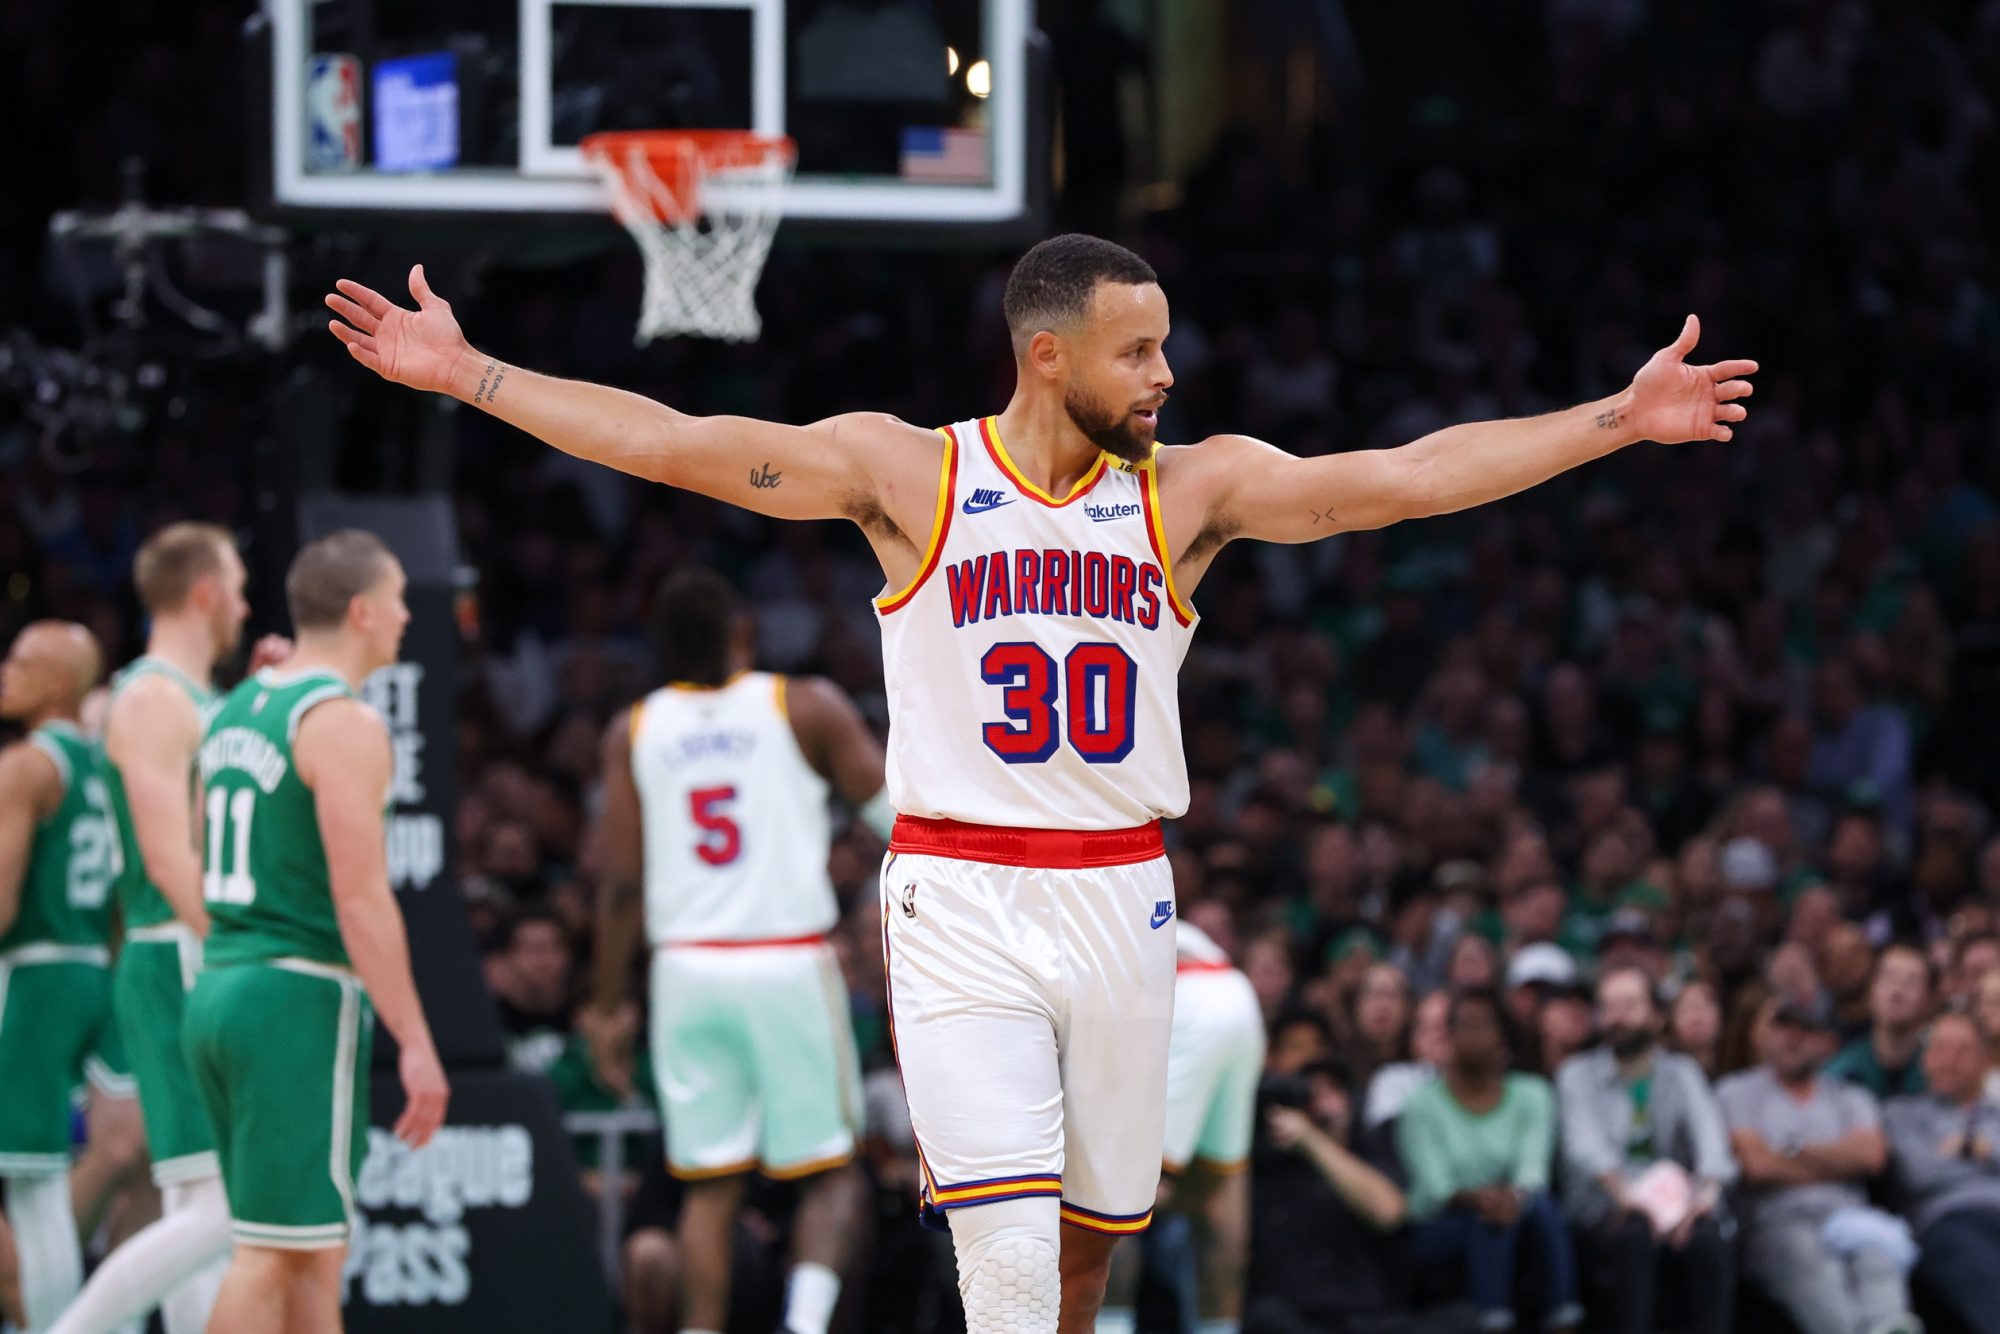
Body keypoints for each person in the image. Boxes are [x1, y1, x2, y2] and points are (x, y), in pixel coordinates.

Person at [326, 235, 1756, 1329]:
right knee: (1004, 1262)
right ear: (1050, 356)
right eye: (1139, 352)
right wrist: (473, 374)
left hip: (1122, 897)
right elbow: (680, 445)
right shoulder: (909, 473)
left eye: (1165, 348)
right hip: (958, 894)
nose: (1166, 375)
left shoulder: (1188, 491)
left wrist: (1613, 420)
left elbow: (1406, 477)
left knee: (1081, 1257)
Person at [593, 568, 892, 1334]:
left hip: (685, 969)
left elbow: (620, 885)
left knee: (709, 1182)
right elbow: (895, 816)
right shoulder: (803, 704)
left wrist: (604, 1005)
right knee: (831, 1172)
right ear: (744, 633)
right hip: (783, 959)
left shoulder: (635, 729)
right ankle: (804, 1322)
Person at [181, 528, 449, 1332]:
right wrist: (416, 1040)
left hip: (222, 981)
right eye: (398, 599)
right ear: (362, 611)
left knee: (311, 1250)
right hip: (292, 995)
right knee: (269, 1255)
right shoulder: (343, 723)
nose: (407, 615)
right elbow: (361, 898)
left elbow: (197, 845)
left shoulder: (235, 705)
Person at [52, 523, 279, 1334]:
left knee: (196, 1202)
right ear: (206, 592)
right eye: (240, 587)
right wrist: (236, 950)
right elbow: (166, 853)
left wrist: (260, 697)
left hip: (191, 948)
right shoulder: (150, 697)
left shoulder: (198, 699)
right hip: (180, 947)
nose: (247, 606)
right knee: (230, 1208)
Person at [0, 622, 115, 1328]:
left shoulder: (25, 766)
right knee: (40, 1182)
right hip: (92, 969)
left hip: (33, 978)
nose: (5, 671)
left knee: (35, 1188)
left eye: (22, 662)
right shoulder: (105, 765)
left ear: (61, 684)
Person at [1099, 918, 1267, 1334]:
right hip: (1236, 995)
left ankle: (1110, 1325)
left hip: (1181, 1000)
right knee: (1217, 1198)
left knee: (1115, 1200)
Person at [1715, 998, 1917, 1334]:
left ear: (1827, 1043)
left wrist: (1790, 1149)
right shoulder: (1736, 1092)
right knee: (1814, 1268)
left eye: (1805, 1029)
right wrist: (1839, 1161)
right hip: (1777, 1225)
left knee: (1878, 1255)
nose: (1792, 1038)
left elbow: (1871, 1156)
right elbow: (1757, 1165)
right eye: (1782, 1027)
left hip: (1850, 1219)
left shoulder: (1850, 1096)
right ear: (1765, 1035)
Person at [1556, 967, 1736, 1334]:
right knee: (1635, 1234)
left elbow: (1711, 1142)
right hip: (1606, 1207)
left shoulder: (1682, 1072)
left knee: (1707, 1238)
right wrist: (1636, 1203)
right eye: (1608, 1007)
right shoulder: (1576, 1074)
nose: (1617, 1018)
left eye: (1629, 1006)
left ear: (1656, 1016)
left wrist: (1703, 1200)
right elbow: (1586, 1149)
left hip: (1677, 1206)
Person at [1397, 988, 1581, 1333]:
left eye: (1485, 1024)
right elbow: (1436, 1188)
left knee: (1542, 1208)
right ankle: (1493, 1322)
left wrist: (1510, 1198)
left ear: (1504, 1034)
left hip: (1519, 1211)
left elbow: (1532, 1172)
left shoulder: (1534, 1094)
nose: (1474, 1034)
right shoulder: (1420, 1105)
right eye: (1464, 1024)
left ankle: (1563, 1317)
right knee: (1488, 1223)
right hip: (1442, 1223)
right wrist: (1482, 1199)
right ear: (1449, 1036)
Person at [1247, 1062, 1410, 1334]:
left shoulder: (1373, 1153)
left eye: (1332, 1090)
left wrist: (1311, 1139)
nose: (1322, 1104)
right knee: (1267, 1317)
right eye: (1311, 1095)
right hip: (1295, 1318)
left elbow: (1388, 1212)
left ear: (1350, 1099)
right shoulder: (1270, 1168)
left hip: (1367, 1318)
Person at [1882, 1013, 2000, 1334]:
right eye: (1940, 1049)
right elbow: (1918, 1173)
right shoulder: (1901, 1113)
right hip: (1951, 1221)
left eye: (1962, 1050)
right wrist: (1979, 1151)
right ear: (1924, 1058)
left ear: (1985, 1060)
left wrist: (1968, 1147)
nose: (1949, 1060)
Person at [1825, 944, 1933, 1099]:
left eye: (1911, 982)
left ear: (1928, 999)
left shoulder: (1939, 1074)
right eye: (1888, 979)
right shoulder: (1840, 1074)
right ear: (1870, 991)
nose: (1896, 992)